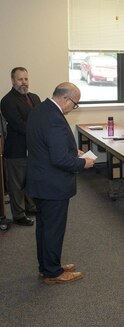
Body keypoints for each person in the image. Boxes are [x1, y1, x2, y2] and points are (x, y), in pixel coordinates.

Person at [26, 82, 95, 285]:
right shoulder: (55, 119)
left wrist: (72, 151)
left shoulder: (40, 109)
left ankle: (47, 266)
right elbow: (59, 160)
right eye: (75, 104)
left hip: (40, 180)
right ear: (65, 99)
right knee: (53, 228)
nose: (73, 108)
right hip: (52, 184)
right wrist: (84, 162)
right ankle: (53, 273)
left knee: (45, 227)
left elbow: (47, 145)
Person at [0, 67, 40, 227]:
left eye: (26, 79)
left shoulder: (34, 97)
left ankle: (30, 207)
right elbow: (18, 125)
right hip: (16, 148)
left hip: (33, 148)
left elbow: (40, 118)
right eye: (20, 79)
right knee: (16, 184)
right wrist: (39, 133)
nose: (24, 83)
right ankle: (19, 215)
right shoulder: (7, 101)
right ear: (12, 80)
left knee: (30, 179)